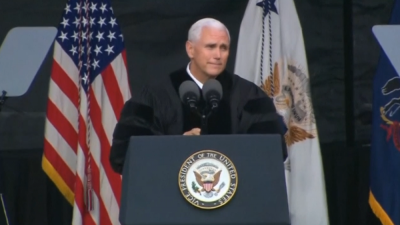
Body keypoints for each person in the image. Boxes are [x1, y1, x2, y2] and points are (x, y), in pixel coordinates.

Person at [109, 18, 287, 174]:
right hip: (169, 206)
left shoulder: (250, 95)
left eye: (223, 48)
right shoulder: (155, 96)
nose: (218, 55)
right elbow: (123, 155)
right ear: (190, 49)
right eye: (210, 47)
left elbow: (275, 151)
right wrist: (176, 147)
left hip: (236, 204)